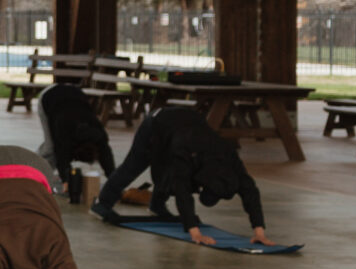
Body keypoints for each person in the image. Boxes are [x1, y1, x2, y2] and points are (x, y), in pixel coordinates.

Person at [92, 103, 272, 247]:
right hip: (158, 123)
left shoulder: (231, 160)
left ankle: (156, 205)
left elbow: (251, 193)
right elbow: (182, 189)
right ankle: (103, 202)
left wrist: (259, 232)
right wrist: (193, 231)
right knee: (134, 166)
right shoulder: (187, 153)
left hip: (187, 126)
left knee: (171, 173)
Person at [36, 81, 119, 196]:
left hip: (73, 94)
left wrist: (114, 181)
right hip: (49, 97)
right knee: (50, 148)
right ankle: (34, 175)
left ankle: (43, 175)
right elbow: (61, 155)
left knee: (56, 148)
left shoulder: (99, 135)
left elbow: (107, 158)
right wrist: (66, 182)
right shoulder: (64, 133)